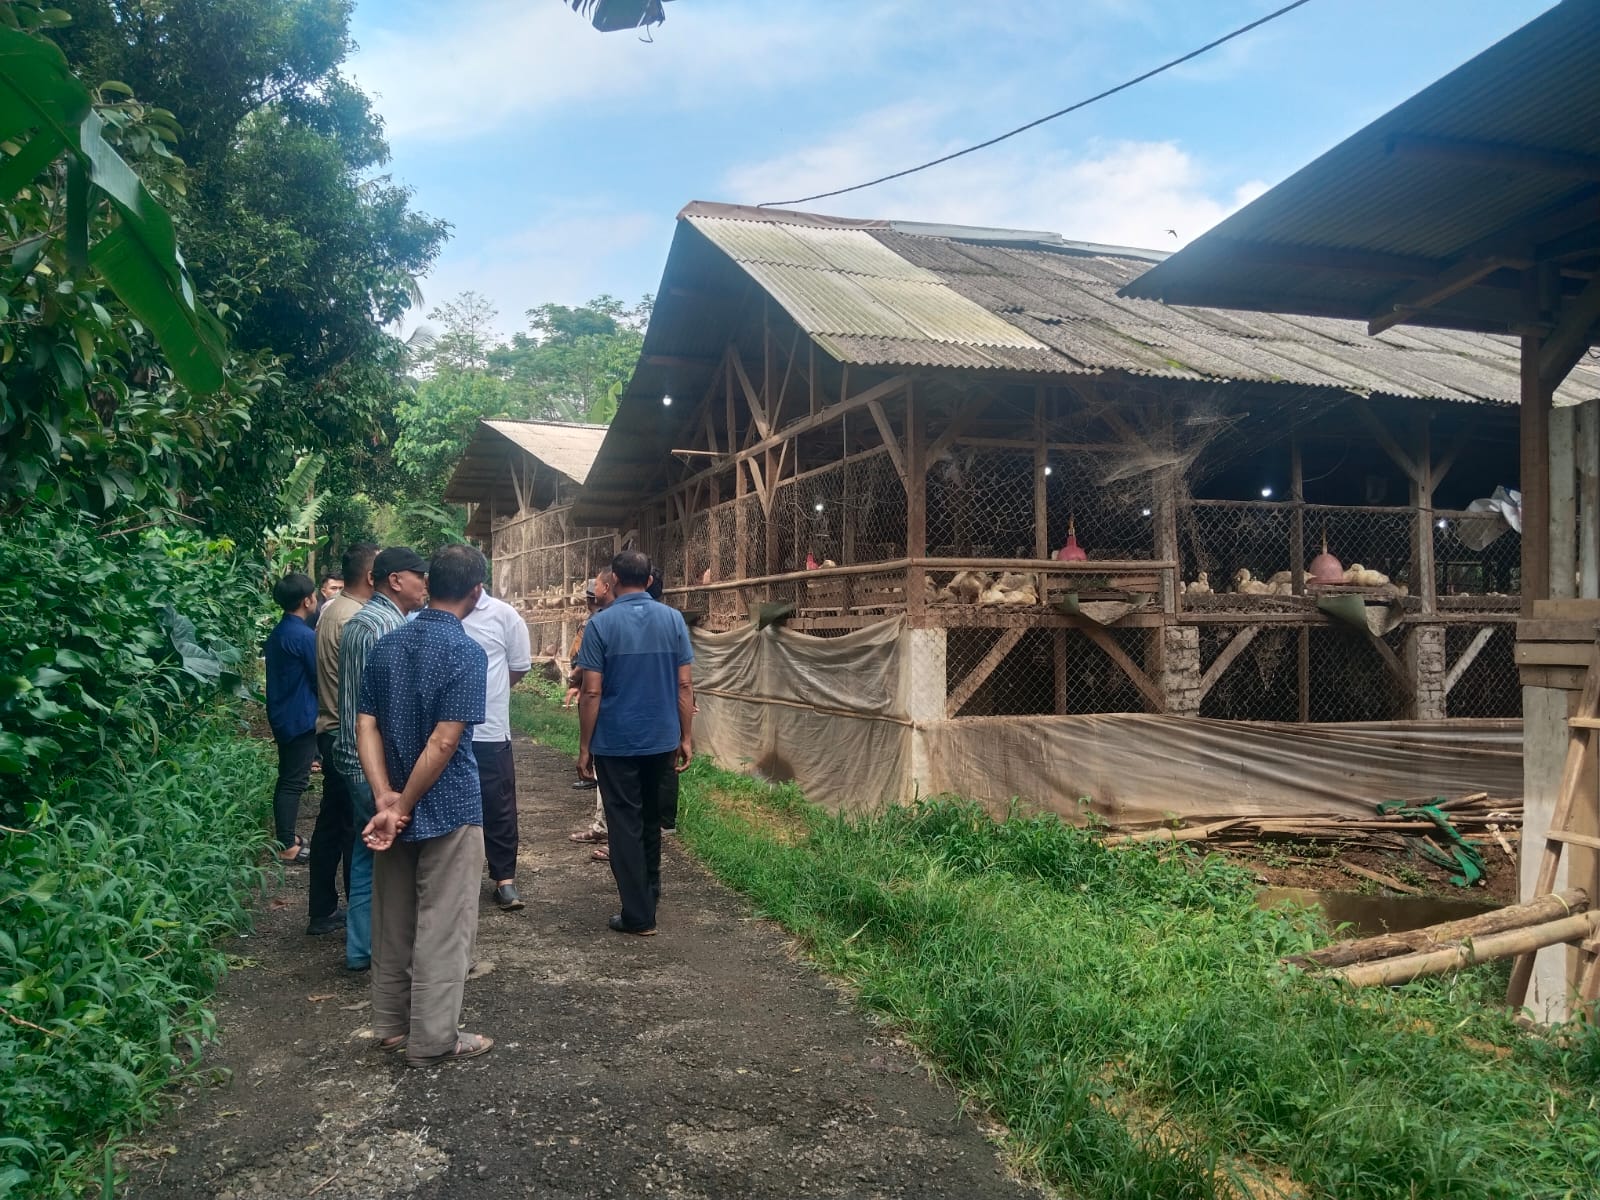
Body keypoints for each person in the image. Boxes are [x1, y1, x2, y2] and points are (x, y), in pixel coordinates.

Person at [358, 543, 492, 1067]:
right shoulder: (466, 653)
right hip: (449, 805)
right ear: (476, 593)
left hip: (391, 803)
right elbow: (444, 741)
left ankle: (392, 1025)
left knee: (393, 917)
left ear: (430, 584)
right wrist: (402, 805)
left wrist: (384, 797)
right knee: (444, 923)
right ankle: (435, 1038)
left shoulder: (387, 645)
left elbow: (365, 724)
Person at [576, 550, 695, 935]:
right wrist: (686, 736)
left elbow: (591, 692)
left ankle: (638, 914)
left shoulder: (600, 625)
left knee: (624, 822)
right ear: (649, 581)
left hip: (616, 741)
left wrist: (585, 747)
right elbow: (684, 685)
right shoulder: (673, 620)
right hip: (661, 738)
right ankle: (650, 893)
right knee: (649, 819)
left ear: (612, 579)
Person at [335, 546, 428, 971]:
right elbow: (389, 711)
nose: (424, 584)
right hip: (376, 764)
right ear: (395, 580)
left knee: (364, 852)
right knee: (392, 858)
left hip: (351, 756)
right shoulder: (388, 628)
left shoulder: (361, 622)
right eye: (418, 575)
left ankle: (361, 948)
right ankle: (387, 950)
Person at [307, 542, 378, 936]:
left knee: (332, 824)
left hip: (329, 727)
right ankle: (360, 921)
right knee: (354, 830)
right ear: (371, 576)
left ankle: (323, 908)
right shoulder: (357, 620)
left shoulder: (331, 610)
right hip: (345, 733)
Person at [461, 577, 532, 911]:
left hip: (489, 729)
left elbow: (518, 667)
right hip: (442, 733)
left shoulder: (503, 615)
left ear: (478, 585)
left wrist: (492, 691)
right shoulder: (434, 613)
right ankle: (456, 878)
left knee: (498, 805)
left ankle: (504, 880)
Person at [265, 572, 320, 865]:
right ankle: (286, 844)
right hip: (299, 717)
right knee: (293, 781)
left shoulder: (281, 632)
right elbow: (318, 677)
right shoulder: (303, 636)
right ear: (307, 601)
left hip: (284, 713)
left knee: (288, 777)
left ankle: (286, 837)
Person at [566, 571, 612, 857]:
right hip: (606, 701)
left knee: (609, 772)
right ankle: (603, 826)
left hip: (605, 704)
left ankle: (613, 834)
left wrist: (575, 680)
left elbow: (585, 666)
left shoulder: (599, 623)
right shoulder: (598, 620)